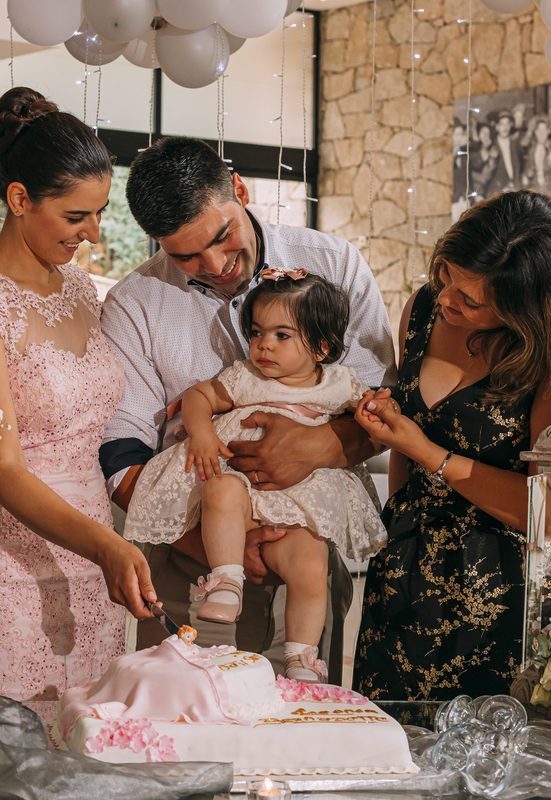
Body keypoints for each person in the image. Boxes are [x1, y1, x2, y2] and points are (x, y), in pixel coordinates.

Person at [101, 136, 396, 679]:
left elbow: (384, 404)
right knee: (182, 727)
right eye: (185, 255)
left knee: (299, 725)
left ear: (238, 190)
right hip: (187, 554)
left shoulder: (334, 265)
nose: (214, 263)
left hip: (308, 545)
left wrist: (320, 445)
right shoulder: (134, 304)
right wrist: (217, 544)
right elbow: (120, 450)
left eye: (222, 236)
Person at [0, 87, 154, 733]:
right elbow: (0, 466)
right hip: (5, 563)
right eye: (76, 216)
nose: (91, 233)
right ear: (20, 199)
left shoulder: (85, 290)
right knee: (9, 750)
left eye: (99, 214)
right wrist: (106, 545)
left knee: (86, 748)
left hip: (94, 556)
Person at [350, 190, 551, 701]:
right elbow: (406, 444)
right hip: (405, 565)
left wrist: (428, 452)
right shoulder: (427, 308)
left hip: (507, 585)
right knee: (389, 747)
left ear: (532, 309)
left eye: (471, 299)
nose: (447, 298)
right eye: (446, 274)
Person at [123, 271, 387, 683]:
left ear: (321, 346)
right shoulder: (245, 376)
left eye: (282, 335)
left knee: (310, 562)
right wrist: (203, 434)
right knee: (222, 490)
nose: (263, 344)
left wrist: (374, 408)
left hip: (298, 507)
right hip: (242, 493)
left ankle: (302, 657)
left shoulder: (339, 384)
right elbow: (198, 396)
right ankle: (227, 581)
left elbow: (369, 420)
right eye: (257, 332)